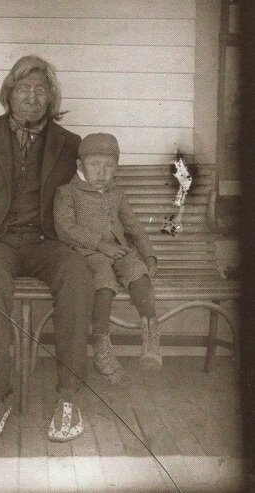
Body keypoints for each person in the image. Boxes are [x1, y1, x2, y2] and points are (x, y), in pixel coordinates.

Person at [0, 55, 94, 443]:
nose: (32, 95)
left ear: (50, 97)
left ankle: (69, 398)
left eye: (40, 89)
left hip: (48, 243)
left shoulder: (70, 143)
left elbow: (89, 196)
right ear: (9, 94)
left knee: (78, 274)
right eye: (24, 88)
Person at [54, 133, 162, 381]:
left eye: (109, 165)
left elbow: (133, 226)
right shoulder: (67, 193)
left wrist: (149, 255)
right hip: (88, 254)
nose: (101, 172)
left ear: (116, 167)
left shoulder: (116, 194)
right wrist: (101, 245)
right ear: (80, 165)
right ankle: (101, 345)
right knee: (103, 281)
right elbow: (66, 228)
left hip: (119, 251)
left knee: (138, 272)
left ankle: (150, 338)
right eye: (94, 164)